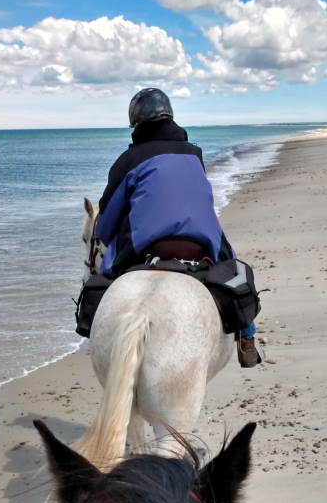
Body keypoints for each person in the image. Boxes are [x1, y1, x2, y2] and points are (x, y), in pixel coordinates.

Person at [95, 87, 260, 368]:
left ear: (135, 123)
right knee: (237, 272)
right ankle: (247, 338)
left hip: (147, 247)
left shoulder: (128, 161)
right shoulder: (194, 154)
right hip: (201, 241)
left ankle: (93, 332)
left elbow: (107, 221)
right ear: (170, 116)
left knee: (104, 280)